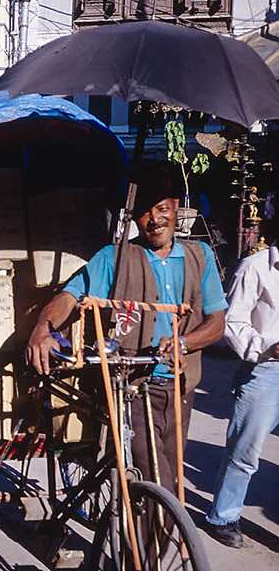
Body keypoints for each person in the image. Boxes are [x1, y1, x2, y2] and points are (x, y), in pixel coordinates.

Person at [26, 164, 227, 494]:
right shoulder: (114, 258)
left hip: (181, 384)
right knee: (155, 477)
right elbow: (71, 296)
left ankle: (161, 538)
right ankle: (153, 545)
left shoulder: (199, 256)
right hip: (130, 384)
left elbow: (216, 323)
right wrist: (43, 329)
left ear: (176, 208)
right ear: (134, 217)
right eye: (146, 212)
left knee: (172, 473)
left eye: (162, 209)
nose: (155, 220)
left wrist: (184, 342)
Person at [206, 210, 279, 548]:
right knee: (245, 451)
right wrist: (268, 346)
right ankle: (224, 515)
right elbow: (232, 323)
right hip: (265, 370)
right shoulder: (256, 267)